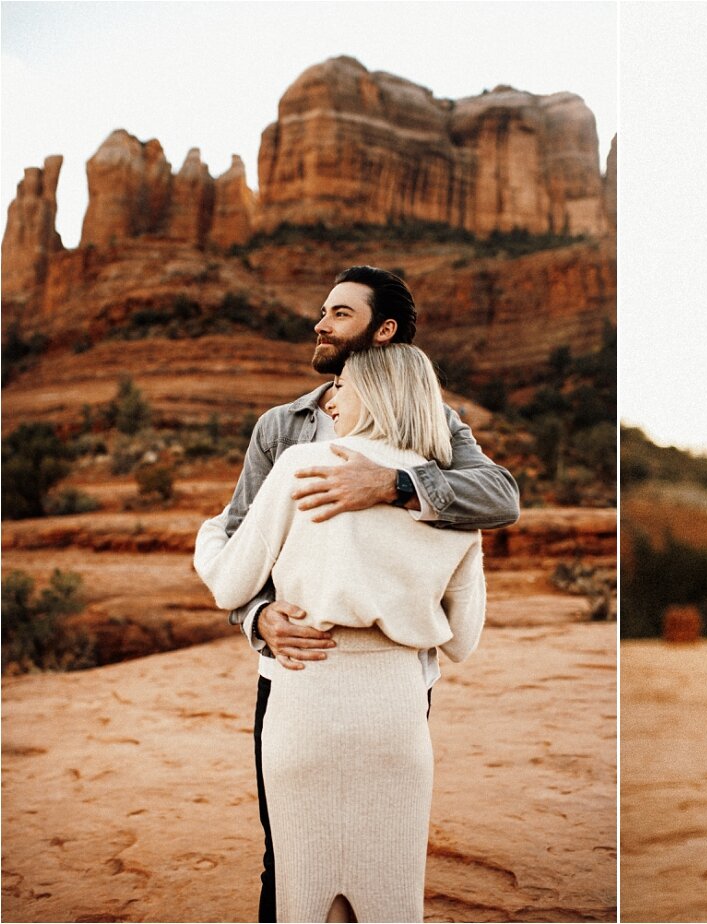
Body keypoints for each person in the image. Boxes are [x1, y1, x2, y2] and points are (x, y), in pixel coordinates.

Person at [216, 265, 519, 921]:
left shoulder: (436, 427)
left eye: (340, 313)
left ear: (383, 332)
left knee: (384, 854)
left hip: (397, 678)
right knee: (289, 856)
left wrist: (394, 486)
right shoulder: (283, 427)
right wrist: (258, 617)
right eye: (323, 310)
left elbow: (500, 498)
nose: (321, 323)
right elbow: (244, 536)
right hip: (292, 668)